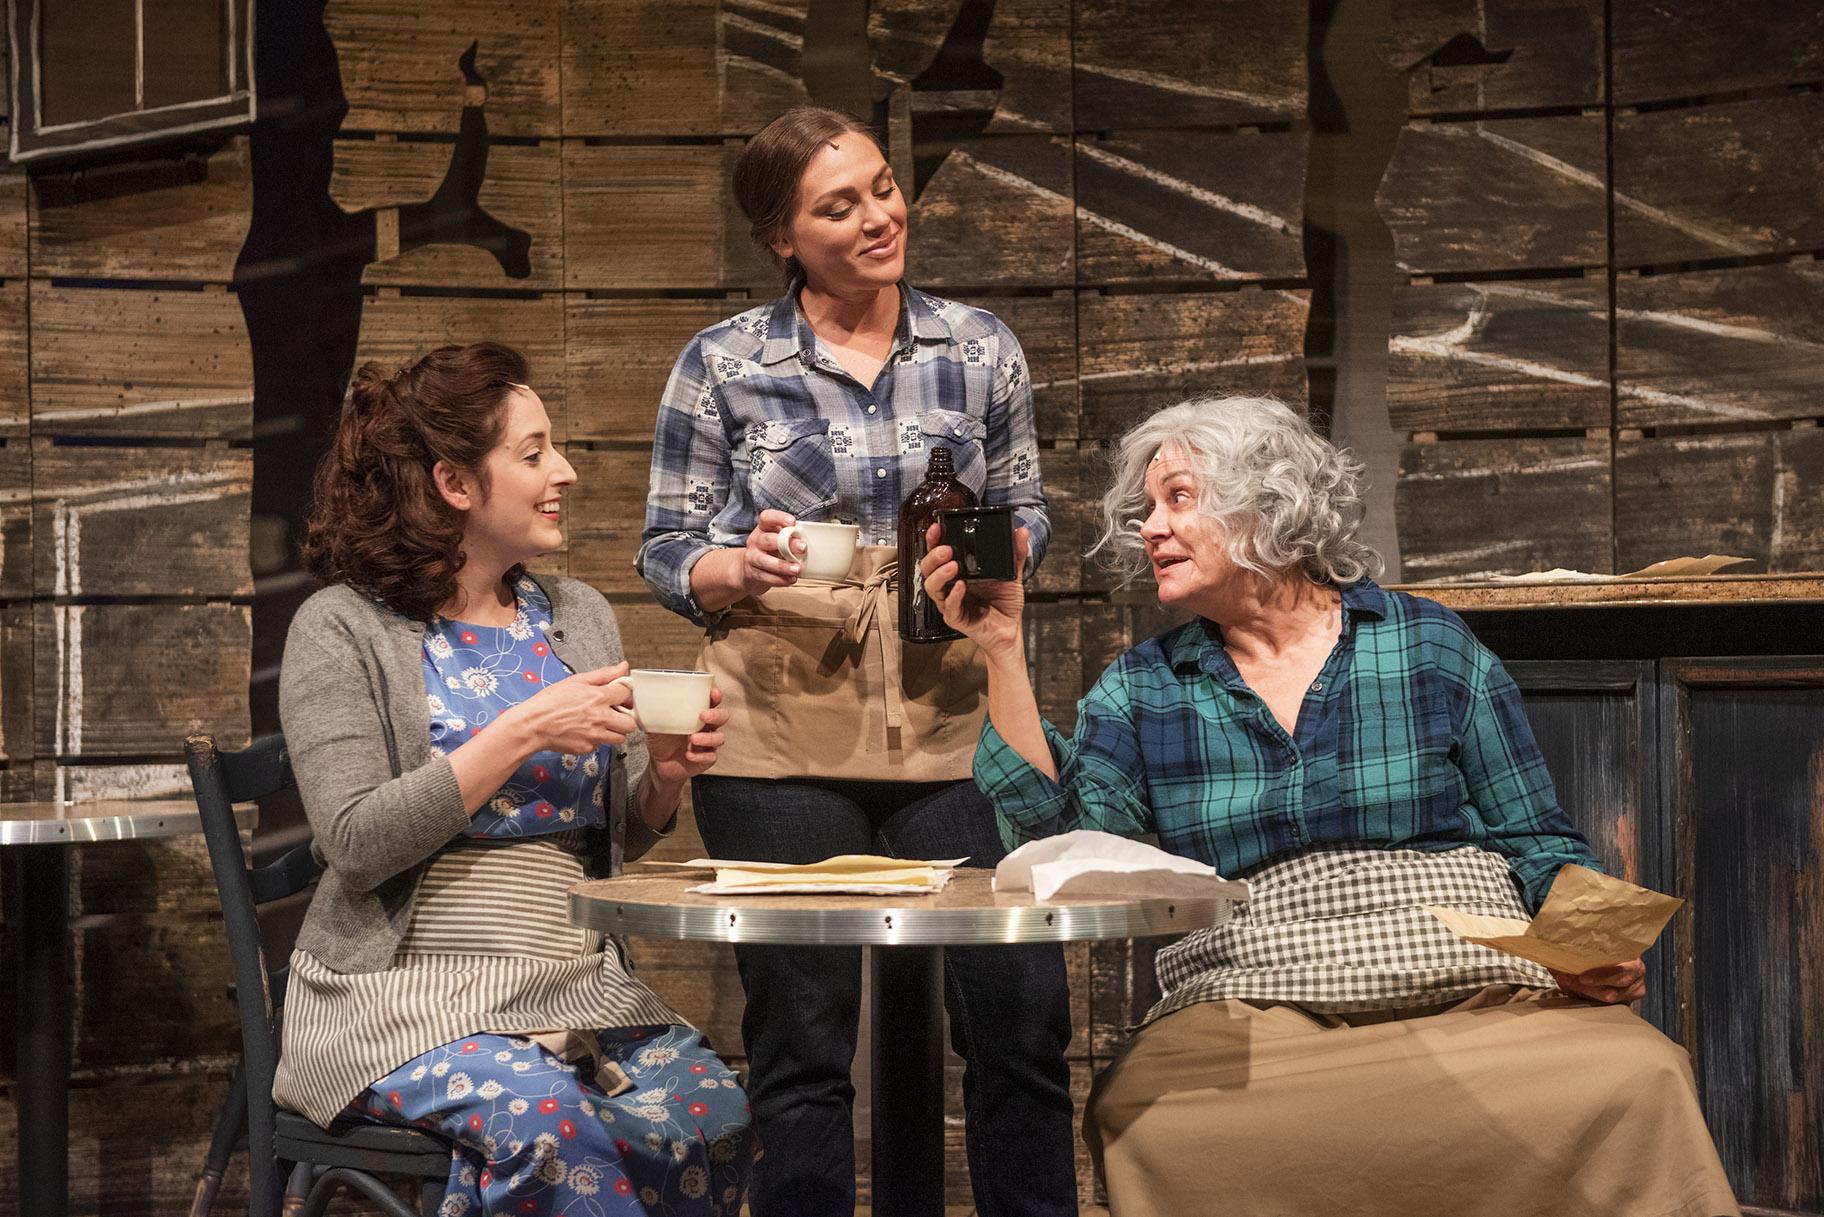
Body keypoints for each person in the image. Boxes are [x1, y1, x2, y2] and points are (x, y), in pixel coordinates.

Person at [921, 394, 1740, 1217]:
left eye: (1177, 498)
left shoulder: (1429, 644)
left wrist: (1592, 941)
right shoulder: (1144, 689)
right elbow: (1067, 847)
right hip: (1253, 992)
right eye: (1144, 509)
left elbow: (1535, 835)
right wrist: (1002, 650)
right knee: (1150, 1118)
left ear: (1266, 502)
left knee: (1641, 1078)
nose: (1149, 528)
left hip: (1471, 980)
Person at [636, 107, 1077, 1216]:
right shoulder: (724, 361)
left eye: (883, 187)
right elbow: (663, 549)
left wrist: (995, 550)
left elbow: (1028, 507)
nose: (881, 215)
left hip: (954, 729)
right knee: (804, 1044)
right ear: (782, 235)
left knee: (1019, 1020)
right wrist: (740, 565)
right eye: (841, 204)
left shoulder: (978, 347)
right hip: (780, 736)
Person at [274, 342, 756, 1215]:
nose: (563, 471)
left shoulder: (577, 616)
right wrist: (524, 729)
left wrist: (664, 781)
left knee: (712, 1112)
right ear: (456, 483)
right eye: (533, 454)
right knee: (551, 1124)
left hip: (570, 977)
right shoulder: (339, 627)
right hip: (400, 994)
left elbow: (612, 837)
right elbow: (353, 842)